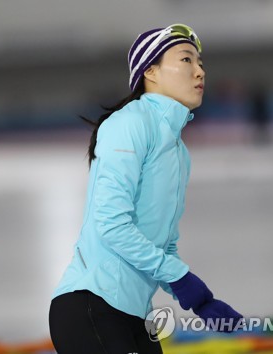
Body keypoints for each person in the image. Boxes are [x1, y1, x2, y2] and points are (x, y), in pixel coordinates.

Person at [49, 24, 243, 354]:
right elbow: (112, 225)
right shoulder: (129, 124)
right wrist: (184, 280)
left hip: (138, 316)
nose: (199, 72)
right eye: (186, 60)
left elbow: (162, 244)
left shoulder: (179, 153)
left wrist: (200, 300)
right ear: (150, 71)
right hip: (92, 305)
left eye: (201, 64)